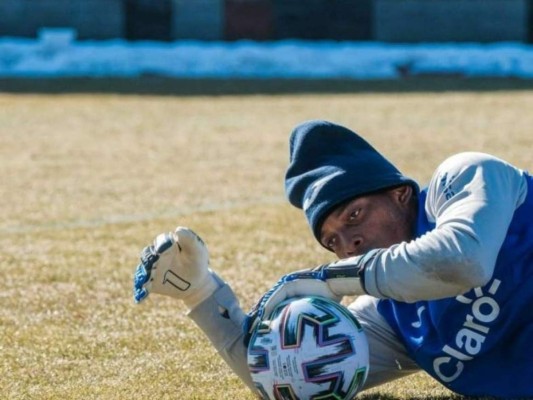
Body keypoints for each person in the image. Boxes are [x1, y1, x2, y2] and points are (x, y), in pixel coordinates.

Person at [133, 119, 533, 398]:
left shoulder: (462, 177)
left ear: (401, 194)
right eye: (332, 242)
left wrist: (332, 278)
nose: (350, 245)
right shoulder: (392, 316)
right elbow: (281, 377)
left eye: (355, 215)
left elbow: (464, 260)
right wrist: (203, 296)